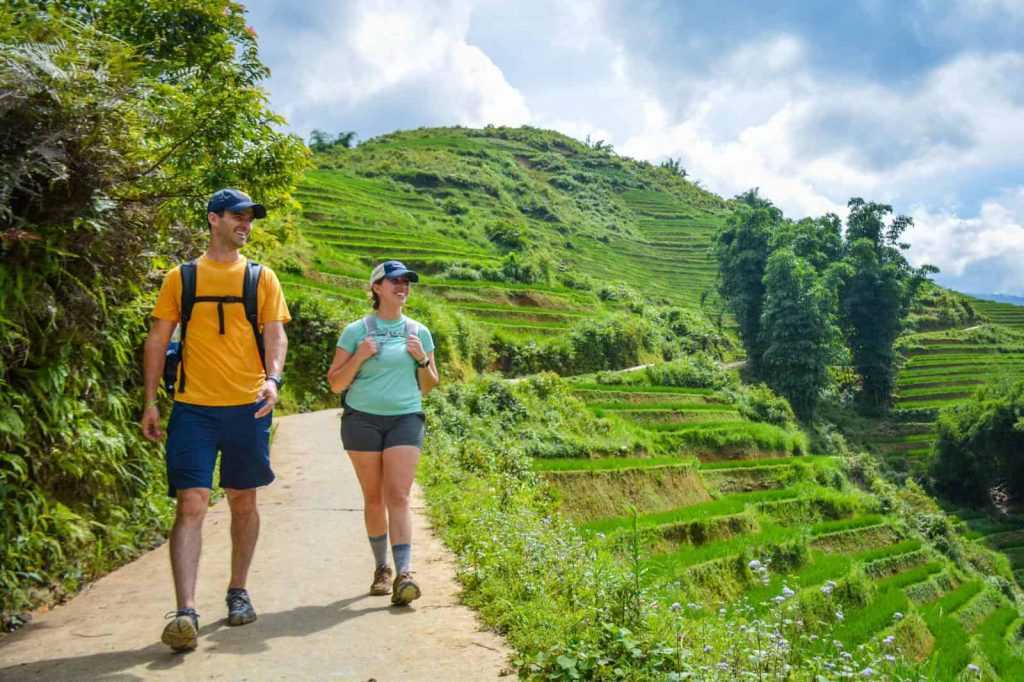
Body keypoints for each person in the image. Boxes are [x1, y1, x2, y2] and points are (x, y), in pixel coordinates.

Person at [140, 189, 291, 652]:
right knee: (192, 502)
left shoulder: (261, 277)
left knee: (244, 500)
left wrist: (273, 379)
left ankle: (237, 590)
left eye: (250, 218)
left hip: (249, 407)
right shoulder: (181, 278)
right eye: (237, 216)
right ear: (213, 220)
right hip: (193, 408)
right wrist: (150, 401)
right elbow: (157, 339)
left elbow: (275, 333)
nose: (246, 224)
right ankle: (184, 612)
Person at [327, 260, 440, 606]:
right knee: (374, 497)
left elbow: (429, 385)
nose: (403, 287)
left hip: (405, 417)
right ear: (377, 287)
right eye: (395, 281)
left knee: (399, 496)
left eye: (407, 282)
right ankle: (382, 569)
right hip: (361, 419)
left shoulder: (419, 332)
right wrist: (360, 356)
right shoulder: (356, 331)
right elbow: (335, 384)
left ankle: (405, 573)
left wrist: (422, 360)